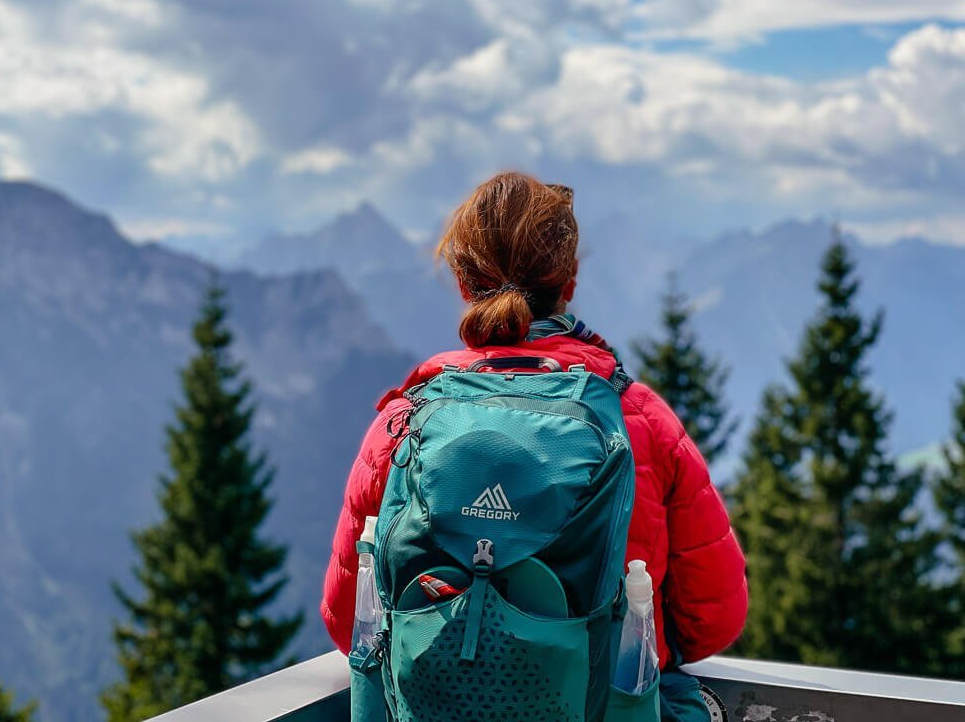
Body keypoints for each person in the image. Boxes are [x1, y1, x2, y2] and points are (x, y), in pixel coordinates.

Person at [321, 171, 748, 721]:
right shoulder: (638, 418)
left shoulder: (406, 422)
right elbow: (713, 618)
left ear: (460, 282)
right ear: (568, 280)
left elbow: (346, 618)